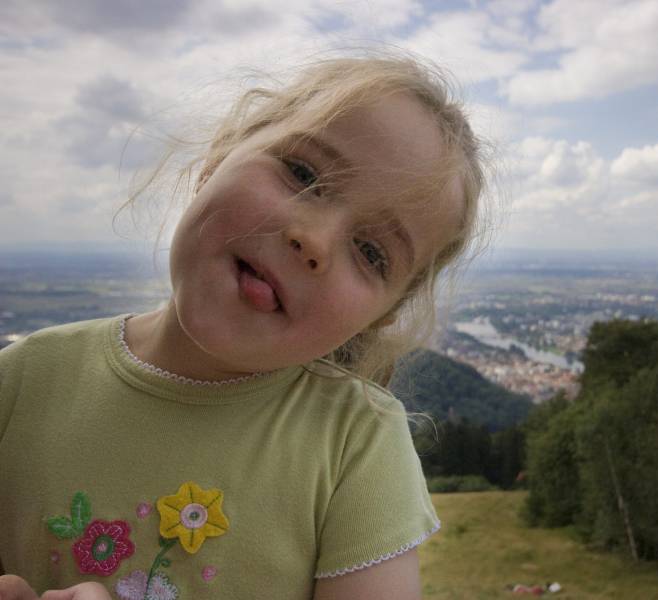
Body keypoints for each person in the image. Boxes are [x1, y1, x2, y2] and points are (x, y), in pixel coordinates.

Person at [0, 53, 486, 600]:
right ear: (219, 156)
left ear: (381, 316)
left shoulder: (356, 443)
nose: (314, 239)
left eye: (371, 252)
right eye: (302, 174)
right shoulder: (21, 380)